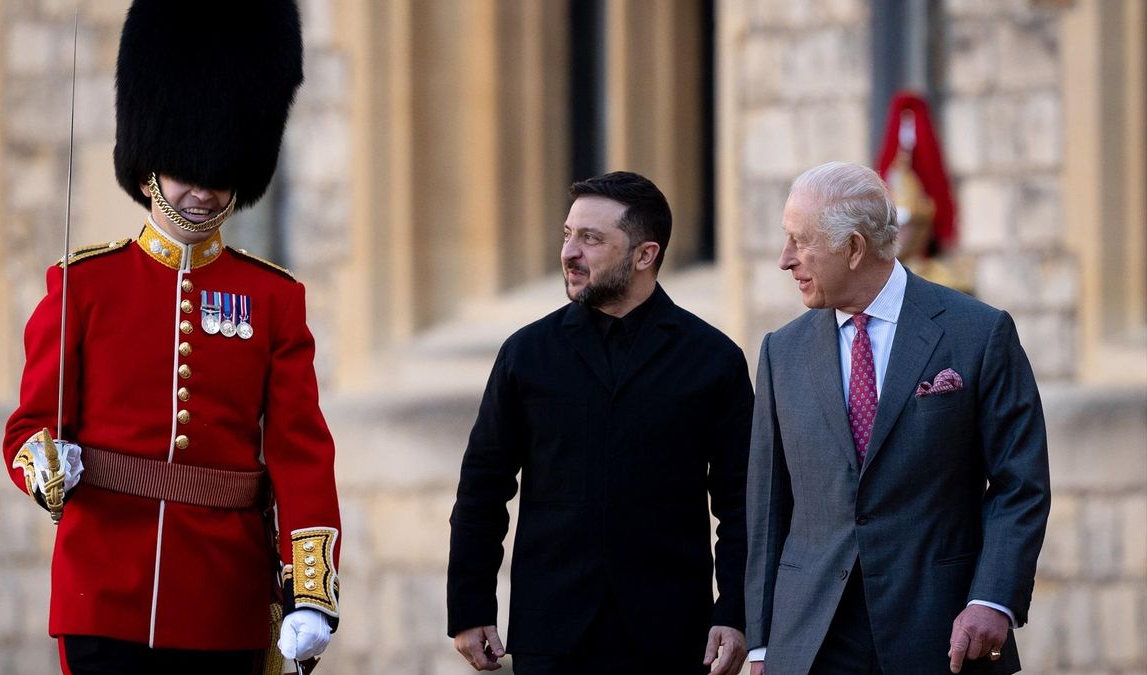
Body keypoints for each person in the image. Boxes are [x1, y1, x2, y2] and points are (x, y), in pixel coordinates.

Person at [2, 2, 341, 673]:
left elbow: (300, 452)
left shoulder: (273, 299)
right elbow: (29, 427)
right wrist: (46, 467)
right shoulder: (84, 286)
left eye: (219, 178)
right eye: (188, 173)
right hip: (103, 591)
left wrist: (310, 593)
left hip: (223, 598)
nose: (205, 194)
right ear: (149, 167)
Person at [743, 161, 1050, 674]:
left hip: (941, 633)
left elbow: (1020, 483)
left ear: (854, 248)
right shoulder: (782, 352)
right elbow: (768, 508)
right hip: (810, 643)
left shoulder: (979, 333)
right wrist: (760, 645)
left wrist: (992, 599)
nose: (784, 259)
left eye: (800, 241)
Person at [447, 171, 753, 675]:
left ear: (645, 254)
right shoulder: (526, 354)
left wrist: (735, 611)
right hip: (552, 634)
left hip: (673, 636)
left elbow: (742, 501)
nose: (569, 252)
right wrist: (470, 605)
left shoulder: (713, 359)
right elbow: (482, 488)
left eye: (591, 239)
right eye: (568, 234)